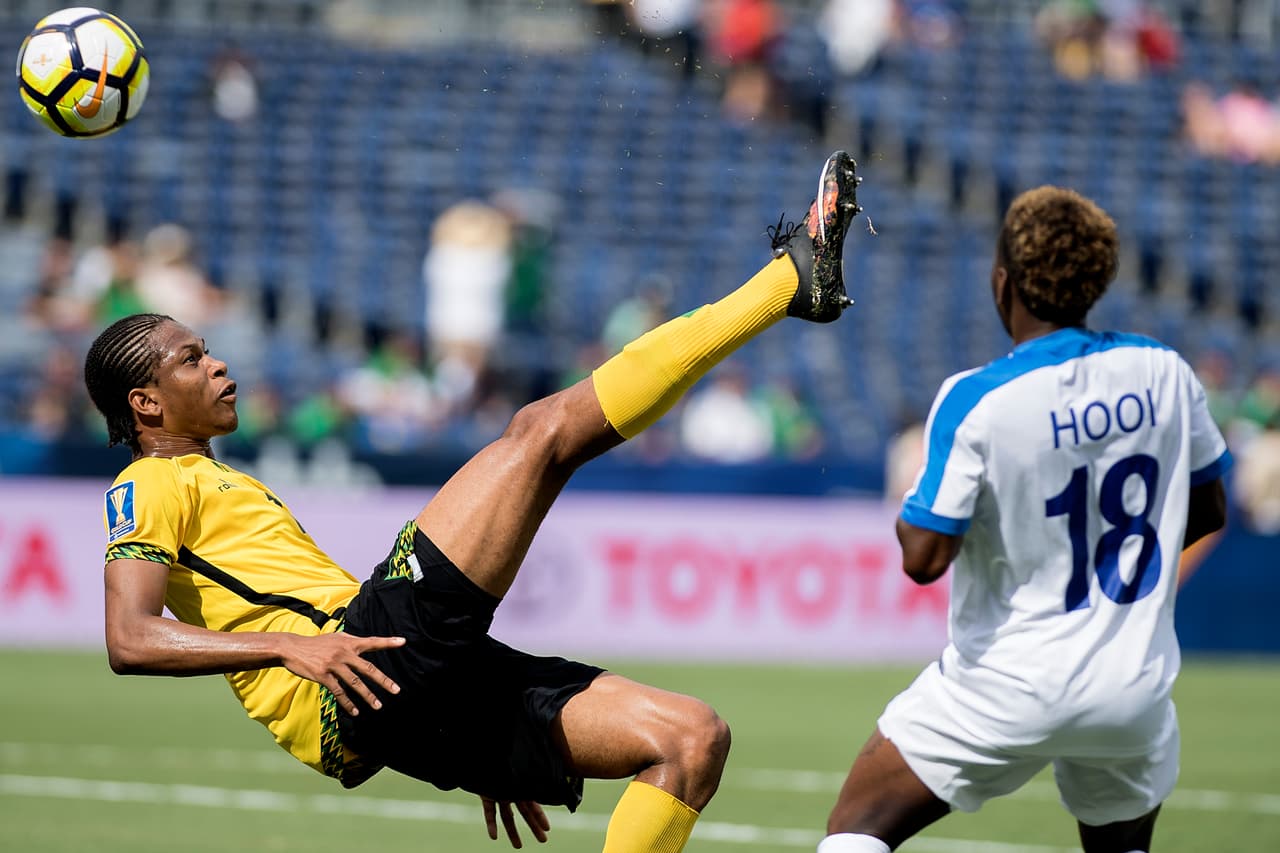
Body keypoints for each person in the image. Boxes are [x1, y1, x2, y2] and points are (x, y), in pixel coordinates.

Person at [85, 152, 862, 852]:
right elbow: (131, 637)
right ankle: (789, 282)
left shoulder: (218, 477)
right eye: (191, 359)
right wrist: (295, 648)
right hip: (353, 664)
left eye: (208, 348)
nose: (218, 363)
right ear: (146, 404)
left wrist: (445, 726)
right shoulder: (148, 483)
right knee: (543, 434)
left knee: (690, 741)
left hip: (392, 685)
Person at [818, 186, 1231, 853]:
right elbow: (1209, 506)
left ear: (1001, 280)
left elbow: (922, 559)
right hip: (1129, 688)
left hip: (1006, 683)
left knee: (856, 826)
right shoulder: (1165, 372)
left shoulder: (977, 397)